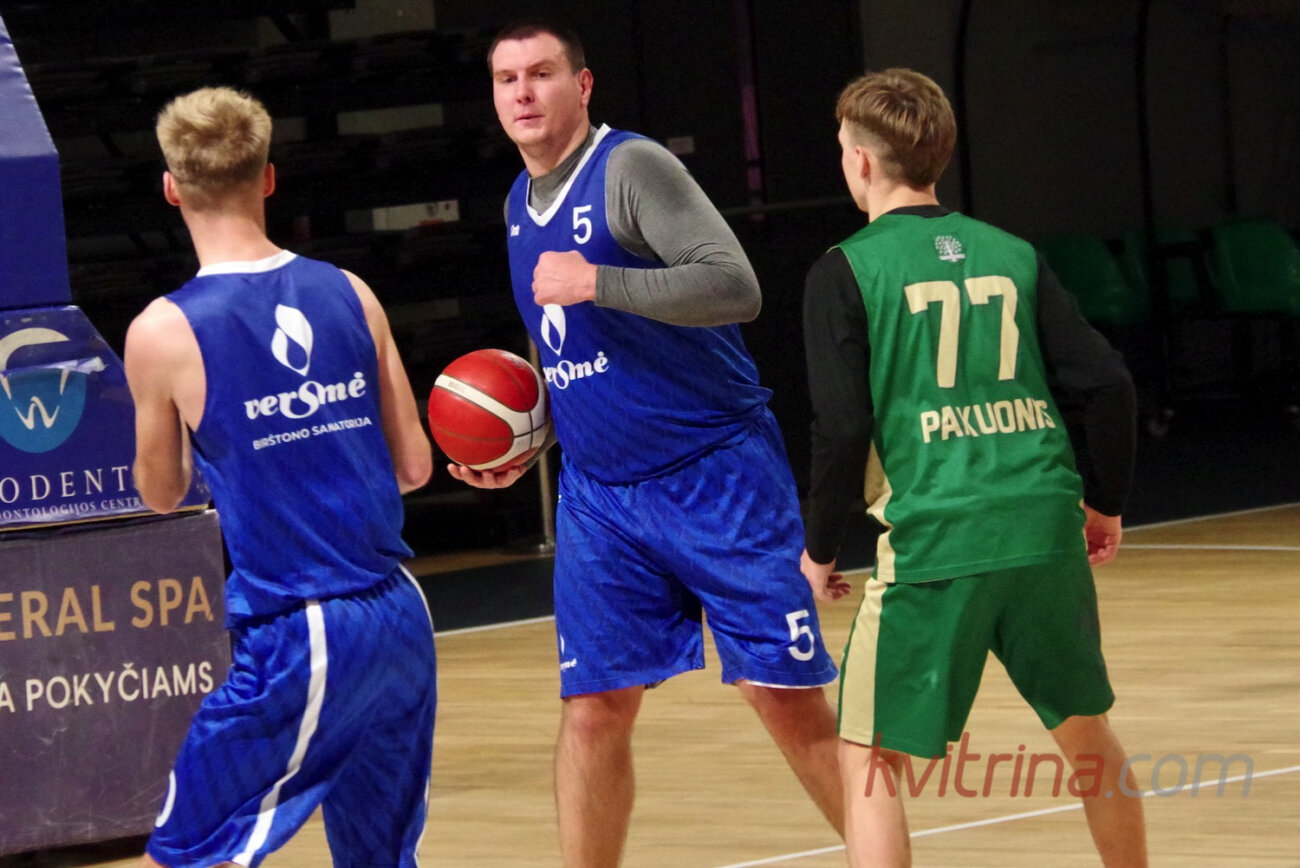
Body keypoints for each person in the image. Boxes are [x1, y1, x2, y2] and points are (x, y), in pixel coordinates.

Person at [449, 18, 844, 866]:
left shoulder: (631, 167)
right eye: (507, 79)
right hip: (601, 497)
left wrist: (599, 279)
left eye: (542, 73)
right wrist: (522, 441)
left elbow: (735, 286)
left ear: (583, 85)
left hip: (715, 474)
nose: (523, 92)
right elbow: (574, 354)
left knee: (783, 697)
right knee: (594, 708)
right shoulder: (518, 203)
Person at [800, 68, 1149, 866]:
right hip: (1042, 526)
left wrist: (819, 548)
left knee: (870, 757)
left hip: (938, 538)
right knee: (1088, 737)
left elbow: (843, 426)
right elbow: (1109, 384)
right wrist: (1105, 502)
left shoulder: (846, 269)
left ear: (860, 161)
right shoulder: (1012, 253)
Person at [124, 86, 436, 867]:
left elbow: (161, 493)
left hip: (305, 628)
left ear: (171, 188)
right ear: (268, 177)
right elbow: (414, 465)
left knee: (185, 852)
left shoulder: (162, 330)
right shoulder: (351, 291)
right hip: (400, 615)